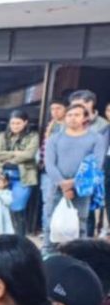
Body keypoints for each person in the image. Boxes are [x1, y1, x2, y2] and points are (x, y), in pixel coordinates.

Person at [44, 103, 109, 252]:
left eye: (77, 115)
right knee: (52, 222)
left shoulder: (96, 138)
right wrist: (62, 183)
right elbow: (49, 164)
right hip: (57, 187)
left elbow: (97, 164)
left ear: (85, 118)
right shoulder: (55, 138)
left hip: (82, 188)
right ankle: (48, 255)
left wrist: (74, 184)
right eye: (70, 115)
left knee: (80, 223)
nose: (73, 118)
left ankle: (79, 256)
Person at [0, 110, 39, 236]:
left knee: (17, 208)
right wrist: (18, 154)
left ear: (25, 122)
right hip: (2, 175)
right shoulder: (2, 135)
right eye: (12, 123)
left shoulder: (33, 136)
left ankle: (19, 239)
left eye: (18, 123)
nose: (15, 126)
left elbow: (29, 154)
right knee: (1, 208)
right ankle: (3, 238)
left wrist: (8, 157)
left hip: (23, 177)